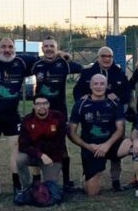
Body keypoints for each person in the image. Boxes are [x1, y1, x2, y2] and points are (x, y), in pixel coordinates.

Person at [0, 37, 39, 196]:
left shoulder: (21, 62)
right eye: (3, 47)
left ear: (15, 48)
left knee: (16, 147)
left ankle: (17, 185)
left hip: (12, 115)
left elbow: (45, 59)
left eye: (10, 47)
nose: (7, 50)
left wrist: (61, 54)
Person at [73, 47, 131, 188]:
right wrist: (83, 99)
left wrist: (118, 97)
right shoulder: (88, 73)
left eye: (109, 56)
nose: (106, 59)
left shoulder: (118, 73)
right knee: (90, 142)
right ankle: (88, 175)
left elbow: (127, 92)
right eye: (103, 56)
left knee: (117, 145)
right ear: (98, 57)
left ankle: (116, 180)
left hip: (113, 115)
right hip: (92, 115)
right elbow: (77, 91)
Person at [31, 35, 83, 189]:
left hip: (59, 112)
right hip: (40, 112)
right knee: (37, 144)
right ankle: (36, 180)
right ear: (42, 49)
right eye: (46, 46)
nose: (48, 49)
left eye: (52, 46)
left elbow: (82, 69)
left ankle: (66, 181)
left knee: (61, 146)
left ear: (56, 48)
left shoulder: (64, 64)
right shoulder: (36, 65)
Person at [67, 74, 126, 197]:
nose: (98, 87)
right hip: (92, 147)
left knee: (136, 146)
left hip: (111, 144)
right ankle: (88, 175)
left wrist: (107, 145)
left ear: (106, 86)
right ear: (90, 85)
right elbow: (71, 133)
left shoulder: (114, 102)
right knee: (92, 193)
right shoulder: (81, 104)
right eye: (95, 84)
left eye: (102, 84)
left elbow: (120, 130)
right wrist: (87, 146)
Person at [16, 96, 67, 192]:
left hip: (52, 157)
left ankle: (49, 184)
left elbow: (60, 142)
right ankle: (26, 188)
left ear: (49, 105)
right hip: (35, 155)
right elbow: (23, 145)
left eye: (44, 103)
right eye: (38, 104)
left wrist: (47, 155)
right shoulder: (27, 119)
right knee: (20, 159)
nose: (41, 106)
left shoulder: (58, 117)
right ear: (34, 106)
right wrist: (40, 155)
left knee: (50, 190)